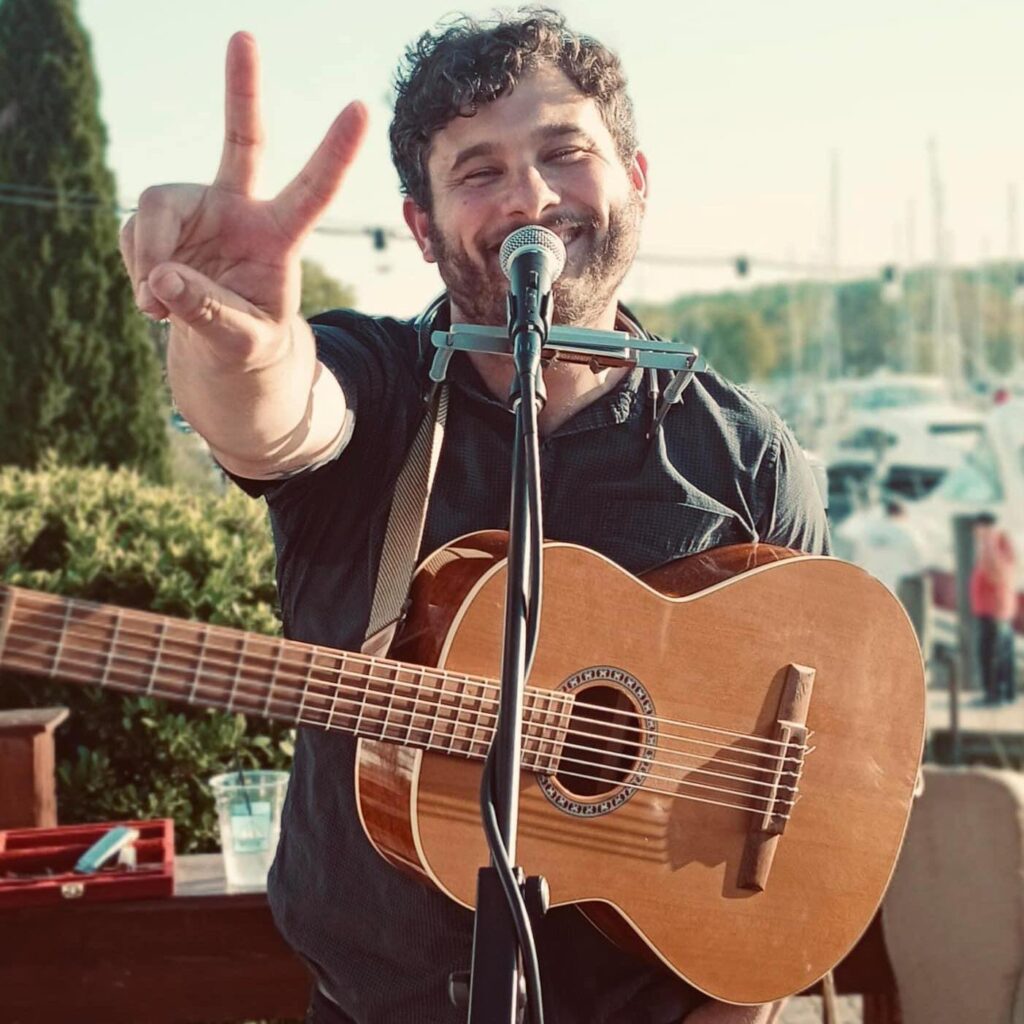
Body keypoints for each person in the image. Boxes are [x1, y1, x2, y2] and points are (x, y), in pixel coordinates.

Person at [119, 11, 829, 1023]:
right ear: (421, 227)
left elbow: (817, 796)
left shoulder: (745, 456)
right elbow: (276, 413)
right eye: (480, 171)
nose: (531, 196)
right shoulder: (377, 387)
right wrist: (233, 343)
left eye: (564, 153)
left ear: (634, 178)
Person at [971, 513, 1018, 705]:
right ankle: (1007, 693)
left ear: (982, 526)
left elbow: (995, 573)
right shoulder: (1004, 543)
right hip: (1001, 607)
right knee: (1004, 652)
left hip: (992, 608)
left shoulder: (990, 543)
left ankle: (994, 695)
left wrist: (986, 542)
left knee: (990, 653)